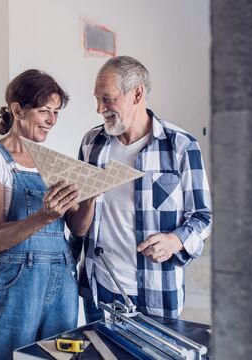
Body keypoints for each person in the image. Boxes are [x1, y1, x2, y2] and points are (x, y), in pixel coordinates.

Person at [73, 56, 212, 321]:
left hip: (157, 293)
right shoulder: (92, 143)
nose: (99, 108)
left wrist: (175, 240)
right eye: (96, 99)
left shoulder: (181, 146)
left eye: (107, 99)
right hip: (98, 290)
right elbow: (79, 212)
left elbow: (203, 217)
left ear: (137, 93)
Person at [0, 69, 94, 360]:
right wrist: (45, 217)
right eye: (43, 111)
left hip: (61, 279)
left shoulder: (53, 161)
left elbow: (78, 228)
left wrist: (92, 196)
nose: (51, 120)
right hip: (16, 281)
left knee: (59, 356)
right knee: (8, 356)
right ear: (17, 110)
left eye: (55, 112)